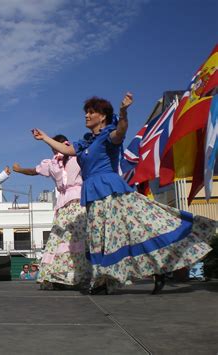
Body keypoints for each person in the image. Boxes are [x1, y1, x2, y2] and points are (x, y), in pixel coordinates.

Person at [32, 93, 215, 295]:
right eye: (86, 112)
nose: (86, 115)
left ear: (102, 117)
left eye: (91, 112)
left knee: (120, 235)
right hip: (93, 194)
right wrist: (45, 138)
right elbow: (66, 150)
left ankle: (106, 280)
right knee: (100, 238)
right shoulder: (86, 143)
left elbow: (120, 132)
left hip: (110, 191)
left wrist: (123, 112)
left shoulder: (108, 136)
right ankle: (114, 277)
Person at [13, 134, 90, 290]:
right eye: (52, 146)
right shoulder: (51, 163)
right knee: (57, 238)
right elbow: (33, 171)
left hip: (80, 200)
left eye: (55, 145)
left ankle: (81, 275)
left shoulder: (77, 154)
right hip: (63, 204)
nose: (53, 148)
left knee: (79, 238)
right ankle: (52, 275)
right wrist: (19, 169)